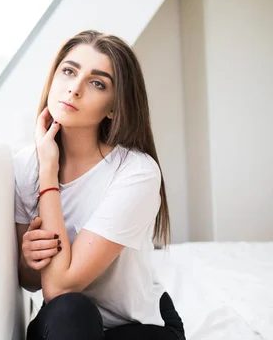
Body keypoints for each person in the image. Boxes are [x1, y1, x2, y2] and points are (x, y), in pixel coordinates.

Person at [14, 30, 185, 339]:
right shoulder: (25, 166)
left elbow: (59, 286)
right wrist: (28, 260)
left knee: (69, 303)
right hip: (67, 324)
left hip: (136, 325)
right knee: (71, 311)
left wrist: (49, 171)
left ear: (113, 107)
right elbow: (32, 282)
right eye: (68, 71)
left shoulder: (136, 172)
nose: (74, 88)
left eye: (97, 83)